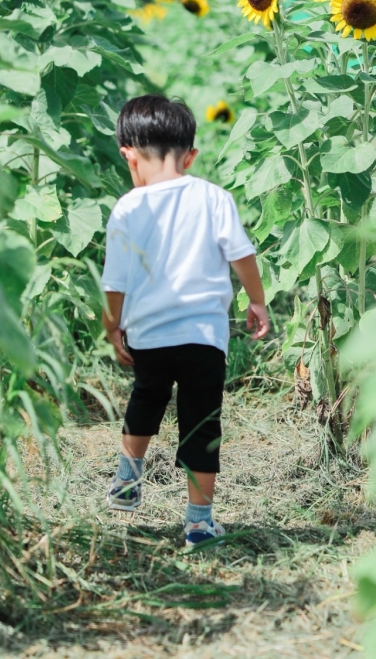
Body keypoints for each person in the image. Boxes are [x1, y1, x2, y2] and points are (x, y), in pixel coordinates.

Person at [101, 94, 269, 548]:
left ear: (128, 156)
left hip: (148, 335)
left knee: (145, 401)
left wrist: (112, 326)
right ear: (190, 156)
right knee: (202, 425)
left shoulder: (128, 209)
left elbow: (114, 281)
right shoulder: (214, 197)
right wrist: (257, 301)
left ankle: (127, 480)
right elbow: (242, 254)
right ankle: (198, 522)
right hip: (203, 338)